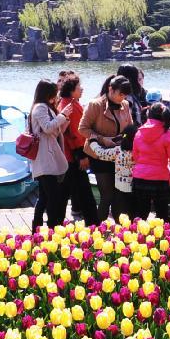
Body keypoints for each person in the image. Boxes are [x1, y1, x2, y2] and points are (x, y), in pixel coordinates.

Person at [80, 75, 134, 221]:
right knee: (107, 195)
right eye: (120, 94)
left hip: (119, 155)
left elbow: (130, 127)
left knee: (119, 195)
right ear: (111, 89)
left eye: (125, 95)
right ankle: (97, 230)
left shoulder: (126, 105)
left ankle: (119, 230)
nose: (122, 98)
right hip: (99, 154)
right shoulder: (95, 105)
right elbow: (83, 129)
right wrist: (102, 139)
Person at [132, 103, 170, 221]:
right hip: (160, 179)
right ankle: (163, 238)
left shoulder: (139, 133)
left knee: (140, 214)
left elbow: (135, 157)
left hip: (139, 177)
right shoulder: (167, 134)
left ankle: (134, 237)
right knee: (162, 215)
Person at [58, 73, 99, 226]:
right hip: (73, 156)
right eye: (78, 87)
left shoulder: (67, 103)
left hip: (69, 156)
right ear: (71, 90)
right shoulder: (70, 106)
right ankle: (93, 224)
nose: (81, 89)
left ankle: (57, 223)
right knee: (83, 191)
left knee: (70, 192)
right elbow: (74, 134)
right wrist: (81, 155)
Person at [29, 80, 70, 229]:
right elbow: (47, 128)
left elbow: (55, 130)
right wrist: (63, 115)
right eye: (54, 92)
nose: (57, 95)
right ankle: (53, 227)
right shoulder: (40, 107)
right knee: (52, 196)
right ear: (48, 93)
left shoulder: (45, 107)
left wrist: (64, 118)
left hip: (48, 157)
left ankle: (37, 228)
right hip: (45, 158)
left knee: (45, 197)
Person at [88, 124, 137, 219]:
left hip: (120, 189)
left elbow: (101, 153)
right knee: (132, 217)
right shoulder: (139, 152)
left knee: (120, 217)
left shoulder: (118, 151)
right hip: (135, 189)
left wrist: (93, 142)